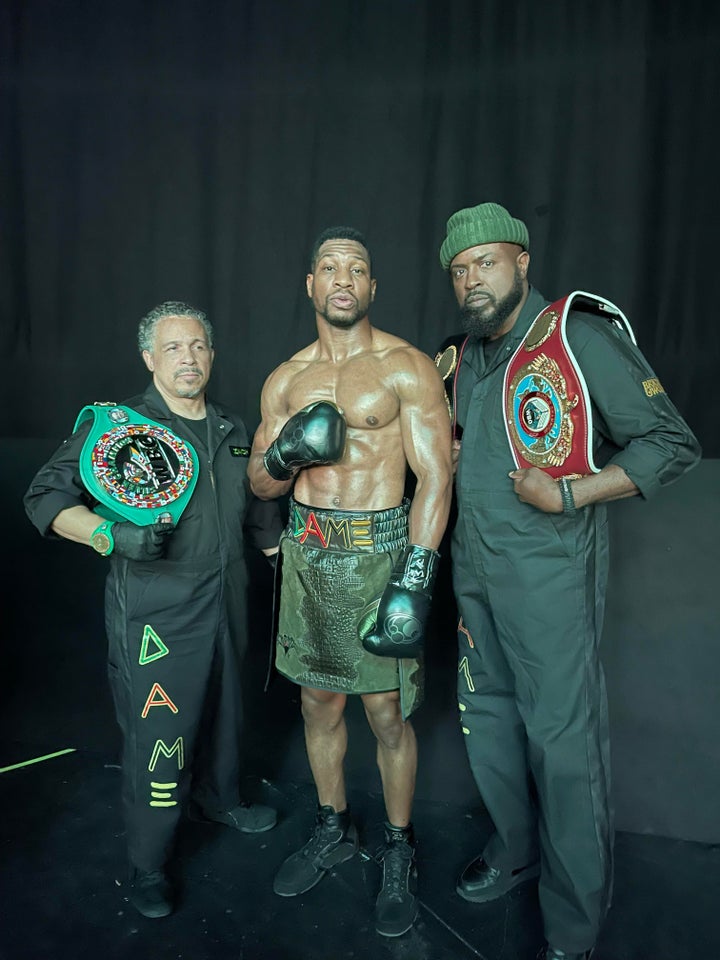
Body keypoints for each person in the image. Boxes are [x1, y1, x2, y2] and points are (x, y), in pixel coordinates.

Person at [436, 202, 701, 960]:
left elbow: (669, 443)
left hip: (549, 574)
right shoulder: (458, 359)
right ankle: (517, 851)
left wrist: (571, 493)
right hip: (474, 570)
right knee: (486, 719)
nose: (471, 280)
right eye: (458, 270)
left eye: (485, 262)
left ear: (522, 260)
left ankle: (575, 922)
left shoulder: (577, 338)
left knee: (562, 740)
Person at [24, 301, 282, 919]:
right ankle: (148, 862)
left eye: (197, 346)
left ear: (212, 355)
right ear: (148, 358)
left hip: (228, 601)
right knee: (160, 737)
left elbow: (260, 521)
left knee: (225, 710)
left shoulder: (232, 427)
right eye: (172, 348)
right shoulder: (121, 427)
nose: (188, 358)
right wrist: (110, 535)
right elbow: (43, 497)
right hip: (158, 614)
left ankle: (218, 799)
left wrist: (294, 565)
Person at [248, 226, 453, 937]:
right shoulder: (285, 377)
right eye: (330, 267)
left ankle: (399, 847)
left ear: (371, 288)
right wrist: (285, 452)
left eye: (357, 269)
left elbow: (435, 476)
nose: (343, 277)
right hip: (308, 553)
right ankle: (332, 827)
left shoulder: (406, 366)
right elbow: (259, 481)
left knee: (386, 714)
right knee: (318, 706)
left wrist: (415, 578)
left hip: (380, 552)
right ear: (311, 285)